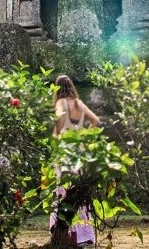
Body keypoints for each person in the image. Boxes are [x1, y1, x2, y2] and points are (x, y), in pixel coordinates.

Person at [50, 75, 100, 246]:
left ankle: (65, 233)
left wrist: (57, 136)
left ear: (58, 88)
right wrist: (83, 136)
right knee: (77, 192)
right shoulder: (79, 103)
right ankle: (84, 235)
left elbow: (58, 123)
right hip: (78, 152)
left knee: (62, 190)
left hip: (65, 150)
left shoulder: (60, 103)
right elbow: (95, 121)